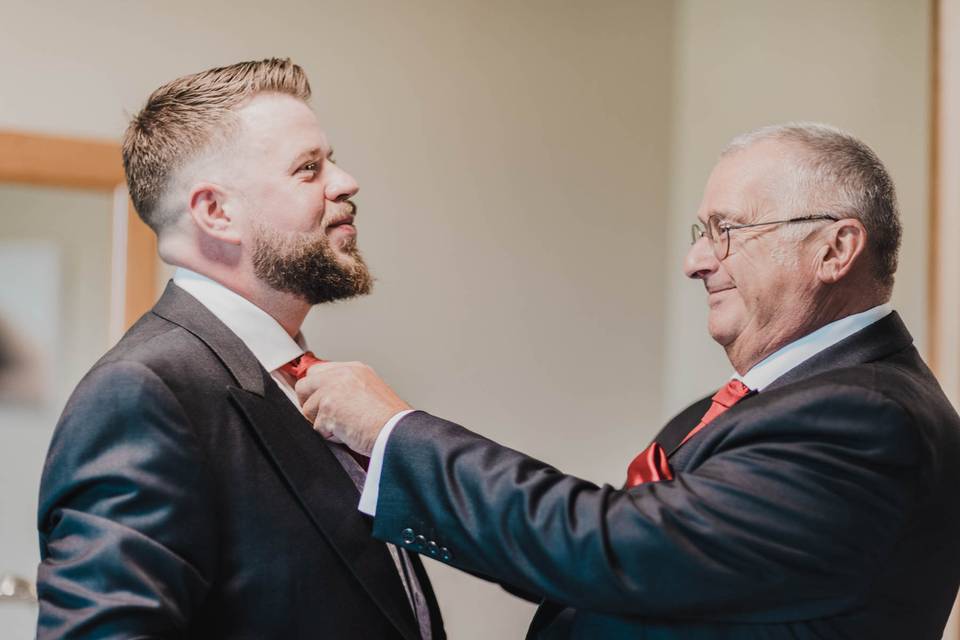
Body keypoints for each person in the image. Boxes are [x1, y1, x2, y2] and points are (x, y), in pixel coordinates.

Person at [296, 123, 960, 639]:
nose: (696, 261)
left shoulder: (865, 420)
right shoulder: (749, 405)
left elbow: (609, 547)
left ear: (835, 250)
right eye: (703, 232)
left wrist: (395, 432)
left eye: (726, 232)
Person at [36, 58, 443, 639]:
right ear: (216, 212)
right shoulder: (144, 391)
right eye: (309, 169)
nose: (346, 181)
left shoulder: (294, 378)